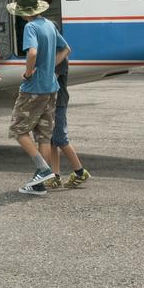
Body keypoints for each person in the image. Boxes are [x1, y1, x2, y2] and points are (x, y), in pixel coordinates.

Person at [7, 0, 70, 196]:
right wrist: (50, 67)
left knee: (18, 129)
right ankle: (40, 183)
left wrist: (27, 72)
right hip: (52, 87)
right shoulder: (50, 25)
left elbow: (32, 52)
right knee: (43, 133)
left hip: (33, 88)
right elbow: (66, 49)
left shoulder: (30, 27)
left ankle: (43, 169)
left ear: (24, 12)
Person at [44, 60, 92, 190]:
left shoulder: (60, 59)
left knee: (60, 139)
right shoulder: (54, 56)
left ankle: (80, 172)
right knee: (52, 141)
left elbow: (51, 79)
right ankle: (55, 176)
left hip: (58, 102)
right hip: (51, 102)